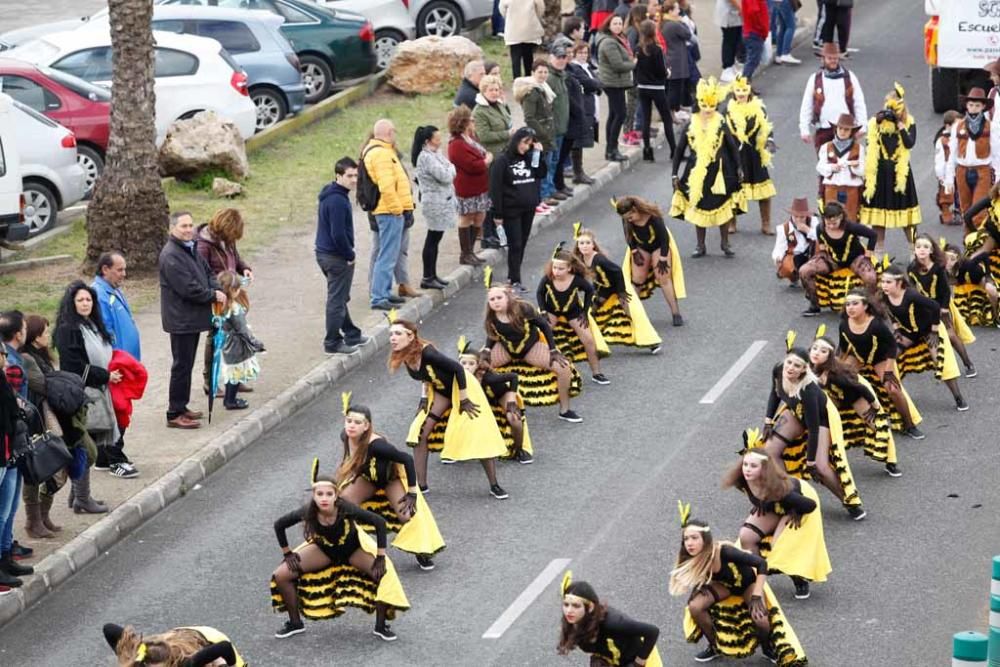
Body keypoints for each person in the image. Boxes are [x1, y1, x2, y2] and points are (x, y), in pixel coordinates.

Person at [270, 467, 408, 641]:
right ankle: (295, 623)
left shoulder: (345, 508)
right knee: (281, 575)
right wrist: (287, 553)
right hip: (324, 551)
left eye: (329, 494)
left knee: (383, 574)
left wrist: (380, 557)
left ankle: (381, 626)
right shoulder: (307, 511)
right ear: (314, 495)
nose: (324, 498)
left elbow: (379, 523)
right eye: (320, 494)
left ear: (336, 495)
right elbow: (279, 525)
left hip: (353, 551)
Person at [389, 319, 508, 498]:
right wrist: (423, 398)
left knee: (478, 433)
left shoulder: (427, 352)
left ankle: (494, 485)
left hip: (463, 388)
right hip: (441, 391)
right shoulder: (405, 355)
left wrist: (464, 399)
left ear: (411, 336)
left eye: (398, 333)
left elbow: (458, 370)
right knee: (420, 432)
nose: (393, 338)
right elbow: (426, 376)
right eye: (391, 334)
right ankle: (421, 485)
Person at [669, 514, 807, 664]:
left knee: (761, 620)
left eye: (694, 538)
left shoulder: (725, 551)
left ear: (705, 538)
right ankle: (715, 646)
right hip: (724, 586)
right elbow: (696, 575)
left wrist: (756, 595)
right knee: (695, 607)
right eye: (686, 539)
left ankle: (767, 648)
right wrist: (698, 589)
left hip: (747, 585)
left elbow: (762, 564)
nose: (689, 543)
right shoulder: (689, 555)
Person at [334, 399, 445, 570]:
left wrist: (413, 492)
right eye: (349, 421)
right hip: (368, 478)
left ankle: (421, 552)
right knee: (341, 506)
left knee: (406, 515)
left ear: (367, 426)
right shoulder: (345, 436)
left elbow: (407, 459)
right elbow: (349, 459)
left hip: (388, 479)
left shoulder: (377, 445)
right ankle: (348, 550)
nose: (351, 426)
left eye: (357, 422)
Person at [760, 345, 865, 518]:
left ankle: (850, 502)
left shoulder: (808, 389)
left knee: (821, 467)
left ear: (804, 369)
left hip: (821, 420)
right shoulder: (779, 369)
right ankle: (788, 497)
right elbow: (775, 394)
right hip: (796, 411)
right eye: (789, 362)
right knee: (769, 451)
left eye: (797, 365)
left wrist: (810, 462)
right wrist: (768, 421)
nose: (791, 368)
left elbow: (813, 429)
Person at [723, 446, 832, 601]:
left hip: (800, 503)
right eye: (745, 464)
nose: (747, 469)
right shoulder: (743, 480)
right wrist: (762, 505)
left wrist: (793, 513)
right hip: (775, 502)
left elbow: (810, 505)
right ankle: (755, 579)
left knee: (780, 544)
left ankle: (798, 580)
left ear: (764, 469)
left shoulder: (779, 489)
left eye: (753, 466)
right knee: (746, 536)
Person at [53, 282, 121, 509]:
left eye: (88, 300)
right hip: (79, 395)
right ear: (72, 303)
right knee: (84, 446)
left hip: (98, 391)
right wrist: (105, 376)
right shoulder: (68, 329)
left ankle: (78, 496)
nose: (85, 304)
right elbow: (73, 365)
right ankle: (83, 498)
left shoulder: (92, 325)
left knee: (86, 445)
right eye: (80, 300)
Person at [159, 211, 225, 429]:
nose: (188, 230)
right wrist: (212, 295)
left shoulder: (190, 248)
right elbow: (188, 288)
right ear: (173, 229)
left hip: (191, 319)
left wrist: (215, 287)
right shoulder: (171, 255)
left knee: (186, 365)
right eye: (183, 226)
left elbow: (208, 273)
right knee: (181, 366)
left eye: (190, 225)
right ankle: (174, 412)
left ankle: (182, 406)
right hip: (181, 320)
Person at [484, 279, 582, 421]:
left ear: (508, 297)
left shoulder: (524, 308)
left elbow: (544, 326)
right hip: (506, 349)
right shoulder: (491, 315)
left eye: (499, 297)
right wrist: (487, 349)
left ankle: (565, 410)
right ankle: (493, 410)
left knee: (563, 367)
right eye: (492, 299)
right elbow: (492, 334)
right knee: (476, 369)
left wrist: (553, 350)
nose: (496, 302)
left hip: (531, 348)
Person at [808, 330, 900, 476]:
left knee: (877, 425)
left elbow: (860, 388)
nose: (817, 353)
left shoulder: (836, 374)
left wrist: (875, 406)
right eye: (814, 348)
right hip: (835, 398)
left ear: (830, 356)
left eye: (823, 351)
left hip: (856, 396)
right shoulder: (809, 368)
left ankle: (891, 461)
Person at [671, 77, 745, 258]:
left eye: (712, 106)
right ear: (699, 104)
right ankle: (700, 245)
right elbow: (679, 150)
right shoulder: (690, 124)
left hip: (720, 172)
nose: (708, 110)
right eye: (704, 106)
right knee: (699, 206)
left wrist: (739, 168)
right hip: (696, 173)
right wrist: (674, 174)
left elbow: (732, 147)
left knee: (723, 207)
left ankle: (725, 242)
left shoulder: (721, 123)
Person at [879, 265, 968, 412]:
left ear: (899, 283)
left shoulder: (911, 295)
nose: (884, 285)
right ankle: (893, 397)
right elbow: (889, 311)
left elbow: (934, 306)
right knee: (889, 357)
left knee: (939, 360)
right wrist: (896, 327)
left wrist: (933, 331)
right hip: (909, 332)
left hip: (928, 329)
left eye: (888, 282)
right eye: (883, 282)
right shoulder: (885, 296)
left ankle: (958, 396)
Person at [838, 288, 925, 439]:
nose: (850, 308)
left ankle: (909, 425)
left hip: (880, 357)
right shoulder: (844, 324)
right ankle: (848, 424)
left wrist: (889, 370)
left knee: (892, 389)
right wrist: (836, 367)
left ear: (865, 306)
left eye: (855, 304)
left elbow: (892, 346)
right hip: (858, 356)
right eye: (848, 304)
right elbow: (844, 348)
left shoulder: (876, 325)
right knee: (840, 382)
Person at [18, 316, 70, 538]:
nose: (48, 336)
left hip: (45, 416)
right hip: (34, 420)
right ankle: (33, 521)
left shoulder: (41, 356)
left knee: (52, 467)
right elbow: (42, 385)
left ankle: (43, 515)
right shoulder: (27, 358)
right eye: (45, 332)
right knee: (36, 469)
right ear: (35, 336)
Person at [573, 226, 662, 352]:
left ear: (593, 244)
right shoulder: (580, 259)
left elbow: (617, 271)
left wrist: (621, 292)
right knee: (590, 314)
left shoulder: (599, 259)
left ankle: (652, 343)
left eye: (588, 243)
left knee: (630, 313)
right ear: (577, 245)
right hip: (603, 289)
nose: (584, 246)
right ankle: (592, 343)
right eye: (581, 243)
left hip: (619, 286)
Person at [196, 208, 253, 398]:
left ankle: (234, 380)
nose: (233, 240)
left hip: (232, 293)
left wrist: (243, 268)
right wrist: (219, 288)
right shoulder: (204, 246)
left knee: (235, 337)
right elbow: (201, 273)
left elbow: (235, 257)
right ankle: (210, 381)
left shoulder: (227, 240)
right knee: (216, 338)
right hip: (218, 297)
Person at [316, 157, 371, 355]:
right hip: (336, 257)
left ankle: (351, 332)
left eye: (356, 175)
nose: (354, 180)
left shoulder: (331, 194)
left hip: (324, 253)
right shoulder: (338, 201)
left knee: (339, 296)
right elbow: (337, 233)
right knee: (336, 300)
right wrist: (349, 254)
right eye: (349, 176)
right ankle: (332, 342)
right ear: (338, 176)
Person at [859, 84, 920, 251]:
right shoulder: (874, 123)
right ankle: (878, 252)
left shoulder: (909, 122)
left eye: (893, 105)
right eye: (887, 105)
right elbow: (869, 147)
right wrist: (879, 122)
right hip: (880, 174)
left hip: (901, 174)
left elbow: (909, 143)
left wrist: (900, 124)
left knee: (908, 219)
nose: (890, 110)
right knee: (878, 218)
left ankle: (914, 249)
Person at [362, 119, 416, 311]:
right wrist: (397, 209)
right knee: (387, 254)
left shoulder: (380, 151)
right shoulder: (381, 154)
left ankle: (383, 292)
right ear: (389, 132)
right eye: (394, 132)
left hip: (388, 210)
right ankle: (379, 296)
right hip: (389, 211)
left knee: (388, 253)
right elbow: (386, 185)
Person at [536, 247, 609, 384]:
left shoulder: (577, 280)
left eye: (561, 269)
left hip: (573, 311)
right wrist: (543, 311)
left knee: (588, 340)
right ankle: (542, 372)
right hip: (552, 310)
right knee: (540, 336)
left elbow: (590, 291)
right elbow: (540, 293)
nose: (556, 271)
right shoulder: (548, 278)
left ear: (569, 268)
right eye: (555, 268)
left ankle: (597, 373)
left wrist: (585, 312)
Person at [558, 573, 663, 666]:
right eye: (566, 605)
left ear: (590, 607)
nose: (569, 611)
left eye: (576, 606)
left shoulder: (613, 623)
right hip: (613, 658)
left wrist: (638, 663)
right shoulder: (575, 621)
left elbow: (652, 632)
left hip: (639, 658)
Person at [908, 234, 976, 377]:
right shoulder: (911, 268)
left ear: (931, 250)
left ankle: (968, 363)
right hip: (925, 307)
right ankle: (940, 367)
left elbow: (946, 291)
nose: (921, 249)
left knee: (951, 335)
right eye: (918, 246)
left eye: (925, 247)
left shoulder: (938, 268)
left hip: (941, 305)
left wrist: (943, 309)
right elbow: (913, 289)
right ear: (914, 249)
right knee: (927, 337)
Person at [489, 128, 547, 290]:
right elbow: (495, 188)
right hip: (511, 209)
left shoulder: (529, 157)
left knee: (522, 243)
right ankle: (514, 278)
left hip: (528, 208)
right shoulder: (502, 160)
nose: (526, 147)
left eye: (530, 143)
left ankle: (513, 275)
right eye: (524, 143)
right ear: (516, 141)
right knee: (515, 244)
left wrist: (538, 154)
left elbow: (540, 172)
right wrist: (497, 213)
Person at [457, 342, 533, 463]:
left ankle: (519, 451)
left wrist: (512, 399)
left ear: (478, 365)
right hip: (482, 401)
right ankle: (454, 449)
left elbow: (513, 377)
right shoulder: (457, 376)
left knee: (513, 417)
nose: (467, 367)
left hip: (500, 395)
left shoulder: (488, 378)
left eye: (471, 364)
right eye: (463, 363)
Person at [798, 201, 877, 316]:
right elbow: (822, 245)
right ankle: (814, 305)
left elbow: (873, 235)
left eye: (834, 223)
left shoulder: (851, 227)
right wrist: (822, 254)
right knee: (804, 271)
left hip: (854, 259)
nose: (830, 226)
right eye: (828, 223)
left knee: (870, 278)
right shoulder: (820, 228)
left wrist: (868, 256)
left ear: (841, 217)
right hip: (833, 259)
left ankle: (869, 308)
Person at [615, 196, 686, 323]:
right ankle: (630, 314)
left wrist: (663, 259)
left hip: (659, 246)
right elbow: (628, 235)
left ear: (635, 210)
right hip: (641, 246)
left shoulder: (653, 216)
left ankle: (676, 313)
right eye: (626, 219)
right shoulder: (626, 219)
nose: (629, 220)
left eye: (630, 217)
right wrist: (634, 251)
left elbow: (664, 239)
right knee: (637, 280)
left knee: (663, 277)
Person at [725, 75, 776, 235]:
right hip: (735, 155)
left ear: (750, 91)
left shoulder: (759, 108)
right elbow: (721, 131)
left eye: (744, 90)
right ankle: (732, 223)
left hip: (755, 153)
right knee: (734, 189)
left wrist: (769, 140)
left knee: (764, 190)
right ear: (733, 91)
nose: (741, 94)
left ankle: (766, 223)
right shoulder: (727, 110)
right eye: (738, 90)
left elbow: (766, 127)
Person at [944, 88, 1000, 232]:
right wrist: (949, 179)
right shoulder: (958, 126)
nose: (973, 108)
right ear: (966, 106)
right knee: (966, 210)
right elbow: (953, 154)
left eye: (977, 105)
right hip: (962, 171)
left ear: (983, 107)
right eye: (971, 105)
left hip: (982, 171)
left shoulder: (990, 127)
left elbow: (996, 154)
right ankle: (968, 243)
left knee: (979, 211)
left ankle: (979, 242)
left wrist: (998, 178)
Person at [798, 42, 867, 154]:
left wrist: (862, 126)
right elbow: (807, 105)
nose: (833, 61)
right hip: (823, 130)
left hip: (846, 130)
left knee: (846, 167)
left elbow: (859, 102)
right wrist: (804, 129)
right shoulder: (815, 79)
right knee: (825, 168)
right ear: (823, 59)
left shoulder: (849, 77)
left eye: (835, 58)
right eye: (830, 58)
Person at [412, 126, 457, 291]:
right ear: (427, 141)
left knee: (436, 239)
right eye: (437, 138)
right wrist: (450, 170)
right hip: (434, 204)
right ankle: (427, 276)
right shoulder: (425, 158)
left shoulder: (435, 154)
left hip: (442, 202)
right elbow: (445, 175)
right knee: (432, 239)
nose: (440, 141)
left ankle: (433, 273)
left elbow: (450, 167)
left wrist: (450, 169)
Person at [447, 106, 493, 266]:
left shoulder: (471, 138)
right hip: (467, 187)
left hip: (480, 186)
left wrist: (485, 158)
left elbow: (481, 153)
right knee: (467, 217)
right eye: (471, 119)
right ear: (464, 122)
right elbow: (472, 165)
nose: (473, 121)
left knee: (480, 216)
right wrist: (486, 161)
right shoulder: (456, 144)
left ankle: (471, 251)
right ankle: (465, 253)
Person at [214, 271, 263, 412]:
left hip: (226, 342)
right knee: (236, 372)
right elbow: (243, 330)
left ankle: (229, 399)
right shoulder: (234, 309)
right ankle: (231, 401)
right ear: (233, 290)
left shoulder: (219, 306)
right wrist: (256, 343)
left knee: (230, 371)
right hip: (237, 344)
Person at [514, 58, 558, 212]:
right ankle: (542, 196)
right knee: (541, 167)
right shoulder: (531, 92)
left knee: (549, 164)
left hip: (548, 134)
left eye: (545, 72)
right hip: (540, 137)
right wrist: (543, 133)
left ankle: (547, 192)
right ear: (533, 73)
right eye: (540, 72)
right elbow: (529, 118)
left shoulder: (543, 88)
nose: (543, 75)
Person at [547, 38, 587, 202]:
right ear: (551, 57)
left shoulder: (563, 74)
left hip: (565, 124)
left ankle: (558, 185)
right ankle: (553, 188)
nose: (563, 60)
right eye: (559, 57)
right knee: (554, 160)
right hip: (556, 126)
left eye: (565, 56)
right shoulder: (551, 77)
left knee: (559, 160)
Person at [102, 623, 245, 666]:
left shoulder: (187, 664)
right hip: (177, 638)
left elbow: (224, 647)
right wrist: (128, 644)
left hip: (211, 640)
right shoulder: (136, 655)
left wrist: (229, 664)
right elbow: (108, 629)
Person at [596, 14, 636, 162]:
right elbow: (618, 65)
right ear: (608, 25)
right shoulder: (609, 43)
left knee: (614, 114)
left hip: (617, 82)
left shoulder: (618, 39)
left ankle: (611, 149)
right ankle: (612, 149)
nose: (618, 26)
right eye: (615, 24)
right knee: (620, 114)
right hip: (613, 83)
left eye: (620, 23)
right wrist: (634, 63)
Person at [634, 19, 676, 162]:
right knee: (667, 119)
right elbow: (661, 71)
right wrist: (667, 73)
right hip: (657, 88)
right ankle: (674, 151)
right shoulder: (657, 50)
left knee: (646, 119)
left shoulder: (637, 49)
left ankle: (647, 152)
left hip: (642, 87)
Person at [91, 251, 141, 362]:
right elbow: (106, 332)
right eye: (120, 270)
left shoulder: (114, 289)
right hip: (120, 362)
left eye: (124, 269)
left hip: (129, 359)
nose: (124, 274)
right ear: (105, 269)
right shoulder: (99, 295)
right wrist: (117, 362)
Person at [816, 113, 865, 222]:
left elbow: (863, 171)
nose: (842, 132)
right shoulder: (827, 147)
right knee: (831, 219)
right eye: (840, 129)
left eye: (846, 130)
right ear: (836, 129)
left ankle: (852, 238)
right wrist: (832, 167)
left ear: (851, 132)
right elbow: (820, 167)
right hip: (832, 188)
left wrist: (854, 167)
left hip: (851, 189)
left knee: (850, 218)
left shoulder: (859, 148)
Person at [567, 40, 603, 184]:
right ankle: (578, 172)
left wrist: (595, 84)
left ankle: (579, 171)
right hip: (581, 107)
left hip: (590, 106)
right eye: (580, 52)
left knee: (582, 142)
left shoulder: (587, 67)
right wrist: (595, 85)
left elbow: (597, 81)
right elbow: (589, 82)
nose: (583, 55)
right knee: (578, 142)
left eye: (585, 52)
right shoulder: (575, 68)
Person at [945, 243, 997, 327]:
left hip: (980, 279)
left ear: (958, 259)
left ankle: (996, 315)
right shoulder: (944, 268)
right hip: (965, 284)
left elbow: (984, 255)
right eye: (946, 258)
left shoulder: (969, 264)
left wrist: (988, 276)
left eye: (952, 259)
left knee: (991, 290)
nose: (949, 262)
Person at [772, 197, 819, 286]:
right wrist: (777, 258)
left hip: (811, 253)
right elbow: (779, 247)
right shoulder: (784, 228)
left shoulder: (814, 222)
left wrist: (807, 230)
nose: (799, 219)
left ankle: (816, 276)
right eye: (796, 216)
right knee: (786, 266)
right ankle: (794, 277)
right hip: (795, 255)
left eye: (802, 217)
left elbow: (821, 238)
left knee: (819, 246)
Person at [661, 1, 692, 117]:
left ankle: (674, 109)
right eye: (676, 9)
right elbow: (688, 34)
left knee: (671, 87)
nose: (679, 11)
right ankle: (672, 113)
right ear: (670, 11)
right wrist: (682, 22)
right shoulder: (674, 24)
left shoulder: (664, 22)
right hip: (676, 60)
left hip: (669, 58)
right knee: (675, 88)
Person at [500, 0, 545, 79]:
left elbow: (502, 9)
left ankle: (517, 80)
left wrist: (509, 18)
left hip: (513, 30)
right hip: (529, 29)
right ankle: (529, 78)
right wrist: (534, 17)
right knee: (528, 57)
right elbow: (541, 8)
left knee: (515, 59)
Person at [473, 75, 515, 159]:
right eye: (491, 90)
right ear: (483, 91)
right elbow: (484, 136)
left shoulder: (499, 104)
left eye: (496, 90)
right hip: (495, 155)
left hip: (508, 150)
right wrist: (507, 134)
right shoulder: (479, 112)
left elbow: (508, 119)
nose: (494, 93)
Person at [933, 110, 961, 226]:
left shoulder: (959, 137)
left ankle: (958, 212)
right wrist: (941, 175)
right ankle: (946, 214)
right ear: (948, 126)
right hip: (946, 173)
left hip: (958, 172)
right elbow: (939, 159)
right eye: (956, 125)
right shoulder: (942, 140)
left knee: (959, 194)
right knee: (946, 195)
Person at [715, 0, 744, 81]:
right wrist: (741, 9)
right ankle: (726, 68)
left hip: (735, 11)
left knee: (736, 39)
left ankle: (731, 66)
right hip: (729, 11)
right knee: (729, 40)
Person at [739, 0, 768, 80]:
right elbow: (754, 11)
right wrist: (761, 27)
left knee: (753, 59)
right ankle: (744, 83)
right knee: (753, 60)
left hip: (752, 31)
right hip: (754, 32)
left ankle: (746, 83)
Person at [772, 0, 800, 65]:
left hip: (777, 2)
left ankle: (779, 55)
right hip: (785, 1)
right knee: (791, 27)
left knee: (783, 27)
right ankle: (785, 53)